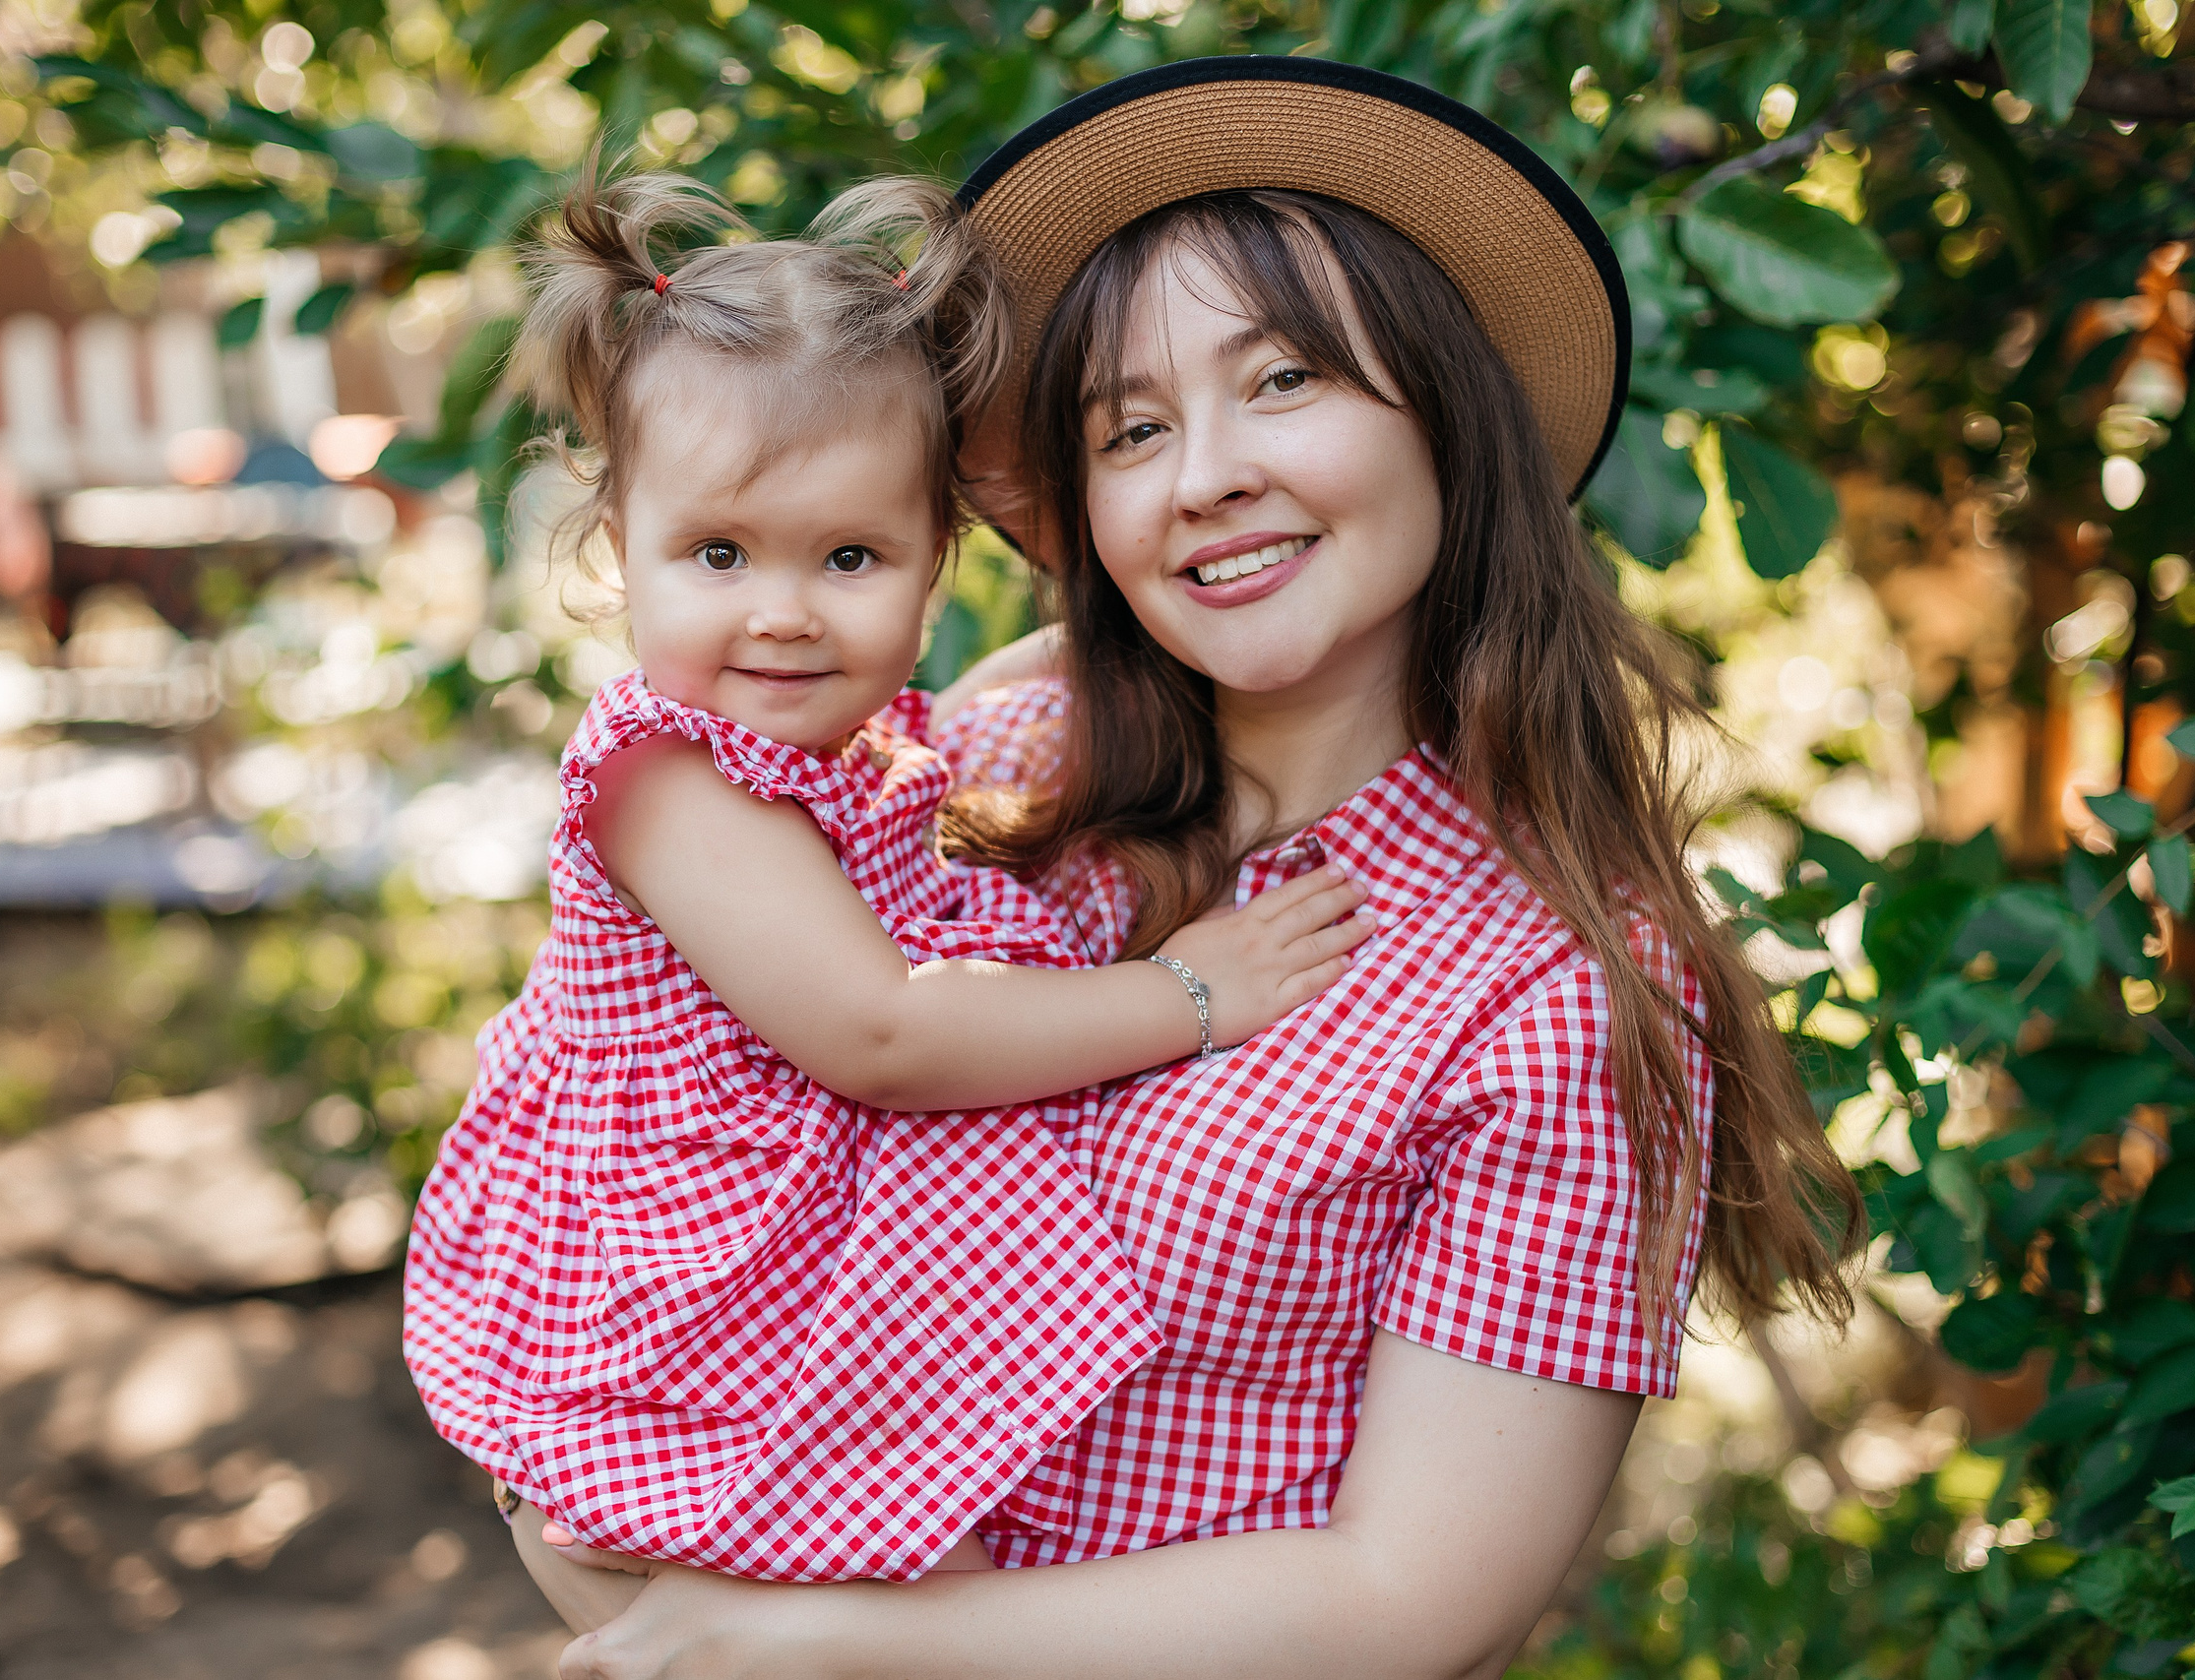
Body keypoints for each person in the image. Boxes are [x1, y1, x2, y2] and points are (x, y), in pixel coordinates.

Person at [530, 58, 1862, 1680]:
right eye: (1131, 429)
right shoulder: (1001, 766)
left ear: (1448, 413)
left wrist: (816, 1645)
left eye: (1285, 380)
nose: (1203, 474)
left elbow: (1409, 1606)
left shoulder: (1551, 987)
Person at [399, 155, 1379, 1594]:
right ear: (621, 553)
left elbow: (1046, 659)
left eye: (850, 557)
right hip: (674, 1350)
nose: (784, 615)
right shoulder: (668, 776)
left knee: (931, 1596)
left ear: (935, 567)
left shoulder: (876, 747)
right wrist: (1188, 994)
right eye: (718, 553)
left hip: (781, 1320)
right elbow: (884, 1033)